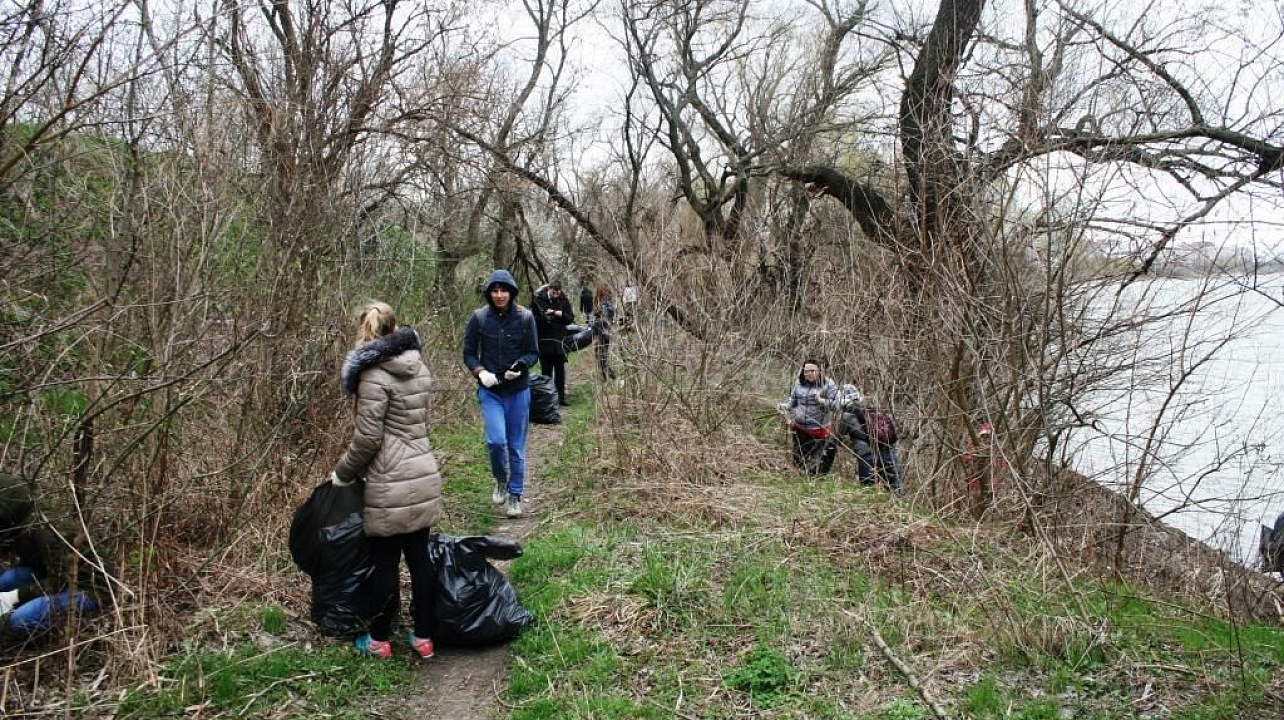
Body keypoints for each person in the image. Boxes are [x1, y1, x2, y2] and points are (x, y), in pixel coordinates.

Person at [331, 301, 443, 660]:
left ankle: (379, 640)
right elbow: (417, 423)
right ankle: (423, 637)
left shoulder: (372, 375)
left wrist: (342, 473)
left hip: (388, 479)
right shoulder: (418, 366)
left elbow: (367, 439)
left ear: (364, 334)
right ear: (395, 330)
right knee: (420, 558)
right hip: (423, 471)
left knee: (384, 562)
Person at [462, 269, 540, 519]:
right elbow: (469, 353)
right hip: (490, 391)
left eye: (503, 290)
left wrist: (520, 366)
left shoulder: (526, 317)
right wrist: (479, 371)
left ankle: (515, 495)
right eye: (494, 291)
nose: (499, 295)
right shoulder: (479, 318)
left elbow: (532, 352)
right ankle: (500, 480)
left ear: (511, 292)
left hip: (517, 390)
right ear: (488, 293)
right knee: (496, 442)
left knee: (516, 447)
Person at [0, 472, 102, 636]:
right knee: (5, 580)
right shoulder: (19, 523)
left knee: (20, 621)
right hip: (49, 575)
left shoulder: (44, 528)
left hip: (86, 587)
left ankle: (69, 629)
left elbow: (61, 581)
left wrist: (14, 596)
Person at [778, 360, 839, 476]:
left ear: (819, 371)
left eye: (812, 371)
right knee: (799, 460)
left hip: (819, 430)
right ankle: (800, 481)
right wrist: (783, 407)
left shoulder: (828, 384)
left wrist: (821, 401)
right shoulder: (799, 383)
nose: (809, 374)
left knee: (817, 463)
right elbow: (792, 402)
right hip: (799, 428)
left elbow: (837, 405)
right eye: (806, 371)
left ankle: (815, 481)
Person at [532, 279, 575, 406]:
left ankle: (561, 398)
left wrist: (558, 313)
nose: (556, 294)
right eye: (553, 292)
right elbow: (533, 319)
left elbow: (570, 318)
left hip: (559, 343)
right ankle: (548, 400)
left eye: (558, 292)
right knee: (546, 374)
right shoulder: (538, 300)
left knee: (560, 373)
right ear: (549, 289)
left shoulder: (564, 300)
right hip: (544, 342)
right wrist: (544, 317)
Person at [835, 384, 878, 486]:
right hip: (883, 452)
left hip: (865, 454)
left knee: (867, 486)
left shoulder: (846, 416)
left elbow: (839, 437)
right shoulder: (870, 409)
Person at [862, 393, 904, 493]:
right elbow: (894, 436)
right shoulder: (883, 416)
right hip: (889, 450)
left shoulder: (863, 416)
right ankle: (899, 501)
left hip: (876, 452)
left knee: (871, 485)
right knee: (895, 483)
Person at [592, 284, 617, 381]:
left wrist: (597, 322)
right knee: (600, 355)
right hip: (602, 331)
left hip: (603, 331)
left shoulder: (605, 303)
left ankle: (608, 377)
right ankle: (607, 377)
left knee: (601, 356)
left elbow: (605, 319)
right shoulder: (604, 302)